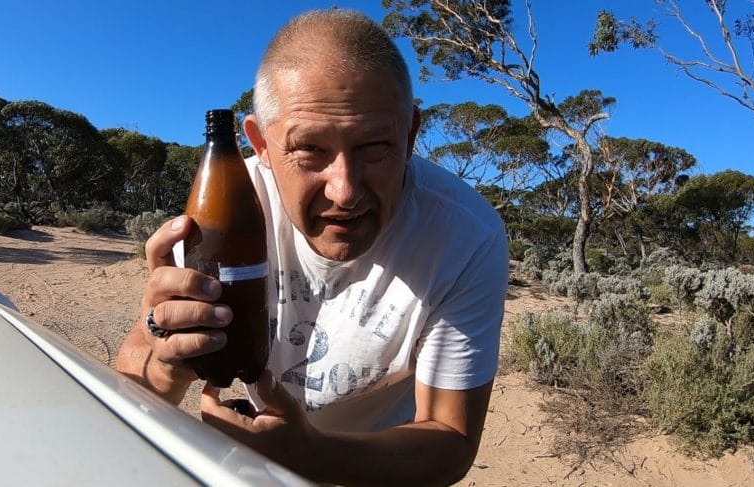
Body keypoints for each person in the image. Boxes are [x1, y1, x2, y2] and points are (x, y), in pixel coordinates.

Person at [116, 9, 508, 486]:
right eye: (310, 150)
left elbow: (450, 439)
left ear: (409, 137)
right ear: (260, 143)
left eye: (374, 147)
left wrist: (308, 455)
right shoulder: (224, 208)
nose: (345, 190)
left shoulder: (462, 236)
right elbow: (136, 373)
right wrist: (166, 357)